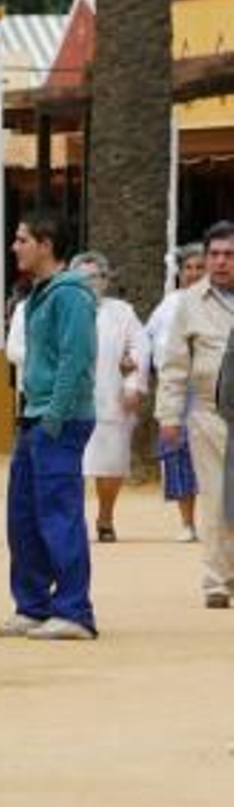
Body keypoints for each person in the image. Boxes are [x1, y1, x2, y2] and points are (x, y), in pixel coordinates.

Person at [0, 213, 98, 640]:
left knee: (59, 515)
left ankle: (74, 610)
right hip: (34, 417)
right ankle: (34, 605)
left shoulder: (71, 295)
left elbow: (75, 361)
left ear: (46, 243)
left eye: (22, 239)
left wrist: (54, 417)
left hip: (59, 420)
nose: (14, 246)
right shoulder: (40, 294)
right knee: (23, 516)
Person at [155, 221, 234, 608]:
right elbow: (173, 365)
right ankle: (217, 581)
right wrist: (168, 416)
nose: (221, 262)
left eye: (229, 255)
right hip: (209, 414)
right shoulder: (189, 303)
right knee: (218, 498)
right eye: (214, 255)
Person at [69, 252, 149, 543]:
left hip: (112, 398)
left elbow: (140, 348)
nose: (91, 283)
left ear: (106, 280)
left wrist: (133, 385)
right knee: (70, 466)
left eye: (97, 277)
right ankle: (72, 521)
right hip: (71, 401)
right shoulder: (64, 309)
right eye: (84, 277)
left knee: (111, 464)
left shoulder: (122, 312)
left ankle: (105, 517)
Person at [146, 244, 205, 542]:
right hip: (177, 388)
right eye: (188, 268)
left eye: (199, 267)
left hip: (213, 388)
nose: (193, 274)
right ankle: (187, 522)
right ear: (180, 273)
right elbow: (148, 341)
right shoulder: (168, 305)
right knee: (179, 453)